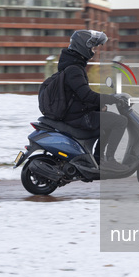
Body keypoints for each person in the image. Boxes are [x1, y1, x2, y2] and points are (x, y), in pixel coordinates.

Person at [58, 30, 128, 172]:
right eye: (91, 47)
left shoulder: (72, 65)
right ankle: (108, 160)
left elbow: (77, 95)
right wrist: (111, 98)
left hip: (75, 112)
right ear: (82, 46)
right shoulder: (74, 69)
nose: (93, 51)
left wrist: (97, 106)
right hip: (77, 117)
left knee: (106, 117)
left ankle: (98, 158)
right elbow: (86, 95)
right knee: (120, 121)